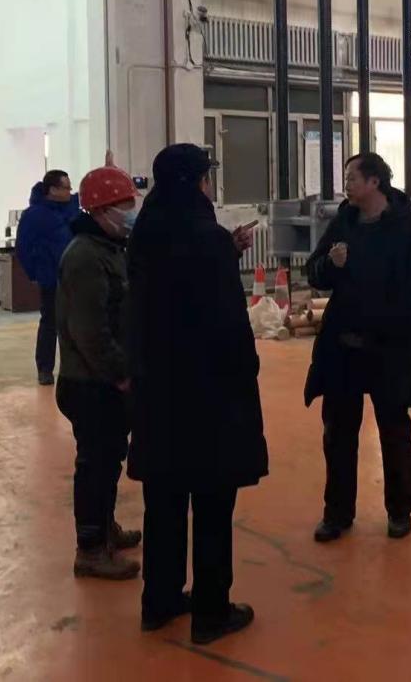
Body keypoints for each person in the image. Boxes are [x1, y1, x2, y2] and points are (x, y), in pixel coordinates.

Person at [127, 144, 267, 646]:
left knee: (164, 501)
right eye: (207, 177)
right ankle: (211, 612)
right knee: (211, 503)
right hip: (208, 394)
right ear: (196, 182)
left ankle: (160, 600)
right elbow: (224, 321)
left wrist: (226, 250)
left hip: (158, 391)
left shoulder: (146, 231)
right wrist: (246, 371)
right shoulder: (206, 238)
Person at [304, 153, 411, 543]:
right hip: (343, 349)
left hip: (389, 351)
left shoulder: (409, 229)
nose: (346, 185)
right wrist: (330, 265)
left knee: (394, 431)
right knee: (338, 434)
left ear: (374, 182)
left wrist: (394, 324)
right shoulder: (343, 223)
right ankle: (337, 513)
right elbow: (313, 272)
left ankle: (399, 511)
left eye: (351, 178)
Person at [54, 165, 141, 580]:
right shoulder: (85, 256)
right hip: (91, 382)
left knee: (108, 461)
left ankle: (105, 528)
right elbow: (89, 330)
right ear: (103, 210)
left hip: (102, 380)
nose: (131, 212)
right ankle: (90, 548)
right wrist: (119, 373)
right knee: (95, 465)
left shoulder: (109, 247)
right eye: (125, 205)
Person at [16, 169, 80, 386]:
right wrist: (35, 272)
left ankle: (73, 368)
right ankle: (45, 369)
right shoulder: (34, 215)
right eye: (66, 188)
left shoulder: (71, 208)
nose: (70, 192)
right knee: (50, 323)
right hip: (51, 278)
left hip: (74, 276)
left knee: (75, 324)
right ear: (52, 190)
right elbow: (23, 247)